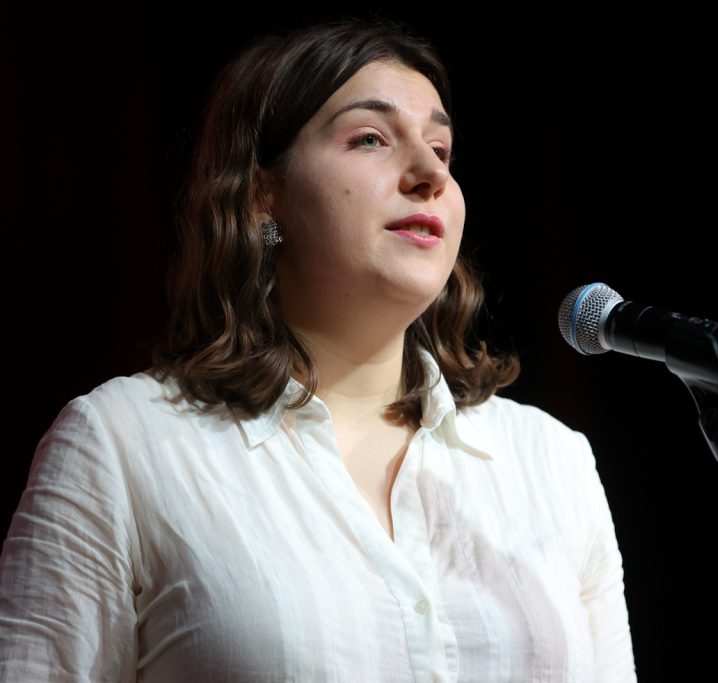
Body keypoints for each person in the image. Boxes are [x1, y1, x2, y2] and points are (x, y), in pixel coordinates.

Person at [0, 17, 636, 682]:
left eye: (441, 149)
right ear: (262, 193)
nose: (429, 174)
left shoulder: (551, 462)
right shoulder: (125, 446)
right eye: (370, 138)